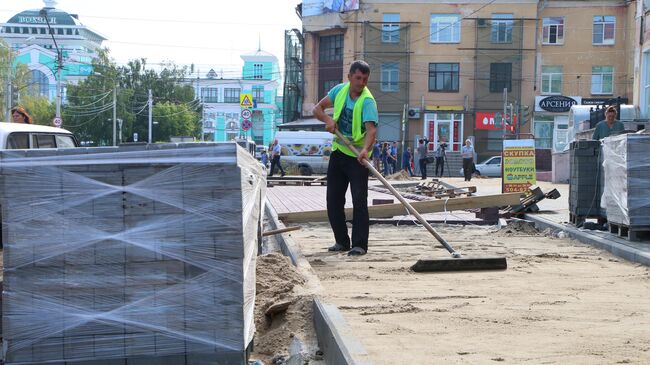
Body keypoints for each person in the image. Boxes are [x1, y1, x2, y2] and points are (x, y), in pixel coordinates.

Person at [312, 60, 378, 256]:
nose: (361, 82)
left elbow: (371, 131)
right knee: (333, 200)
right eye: (358, 78)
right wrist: (328, 119)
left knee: (359, 201)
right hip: (339, 152)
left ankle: (359, 245)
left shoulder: (367, 102)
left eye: (365, 79)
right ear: (349, 77)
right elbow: (317, 109)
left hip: (358, 158)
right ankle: (341, 241)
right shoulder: (339, 91)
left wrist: (365, 150)